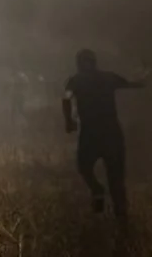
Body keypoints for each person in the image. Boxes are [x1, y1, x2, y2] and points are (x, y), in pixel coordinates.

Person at [62, 49, 147, 220]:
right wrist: (147, 75)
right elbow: (133, 83)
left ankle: (101, 194)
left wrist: (69, 121)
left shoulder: (76, 80)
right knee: (113, 177)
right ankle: (120, 216)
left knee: (86, 168)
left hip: (92, 134)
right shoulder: (107, 78)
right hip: (110, 134)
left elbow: (66, 98)